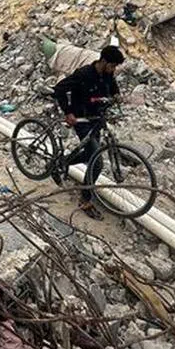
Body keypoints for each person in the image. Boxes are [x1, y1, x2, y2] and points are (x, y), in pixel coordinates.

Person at [52, 45, 125, 220]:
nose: (113, 70)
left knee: (89, 154)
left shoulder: (107, 75)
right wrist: (68, 112)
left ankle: (61, 163)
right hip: (82, 120)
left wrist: (117, 96)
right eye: (112, 65)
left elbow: (113, 88)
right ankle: (85, 200)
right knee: (97, 162)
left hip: (96, 119)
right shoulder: (83, 74)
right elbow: (60, 89)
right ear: (104, 61)